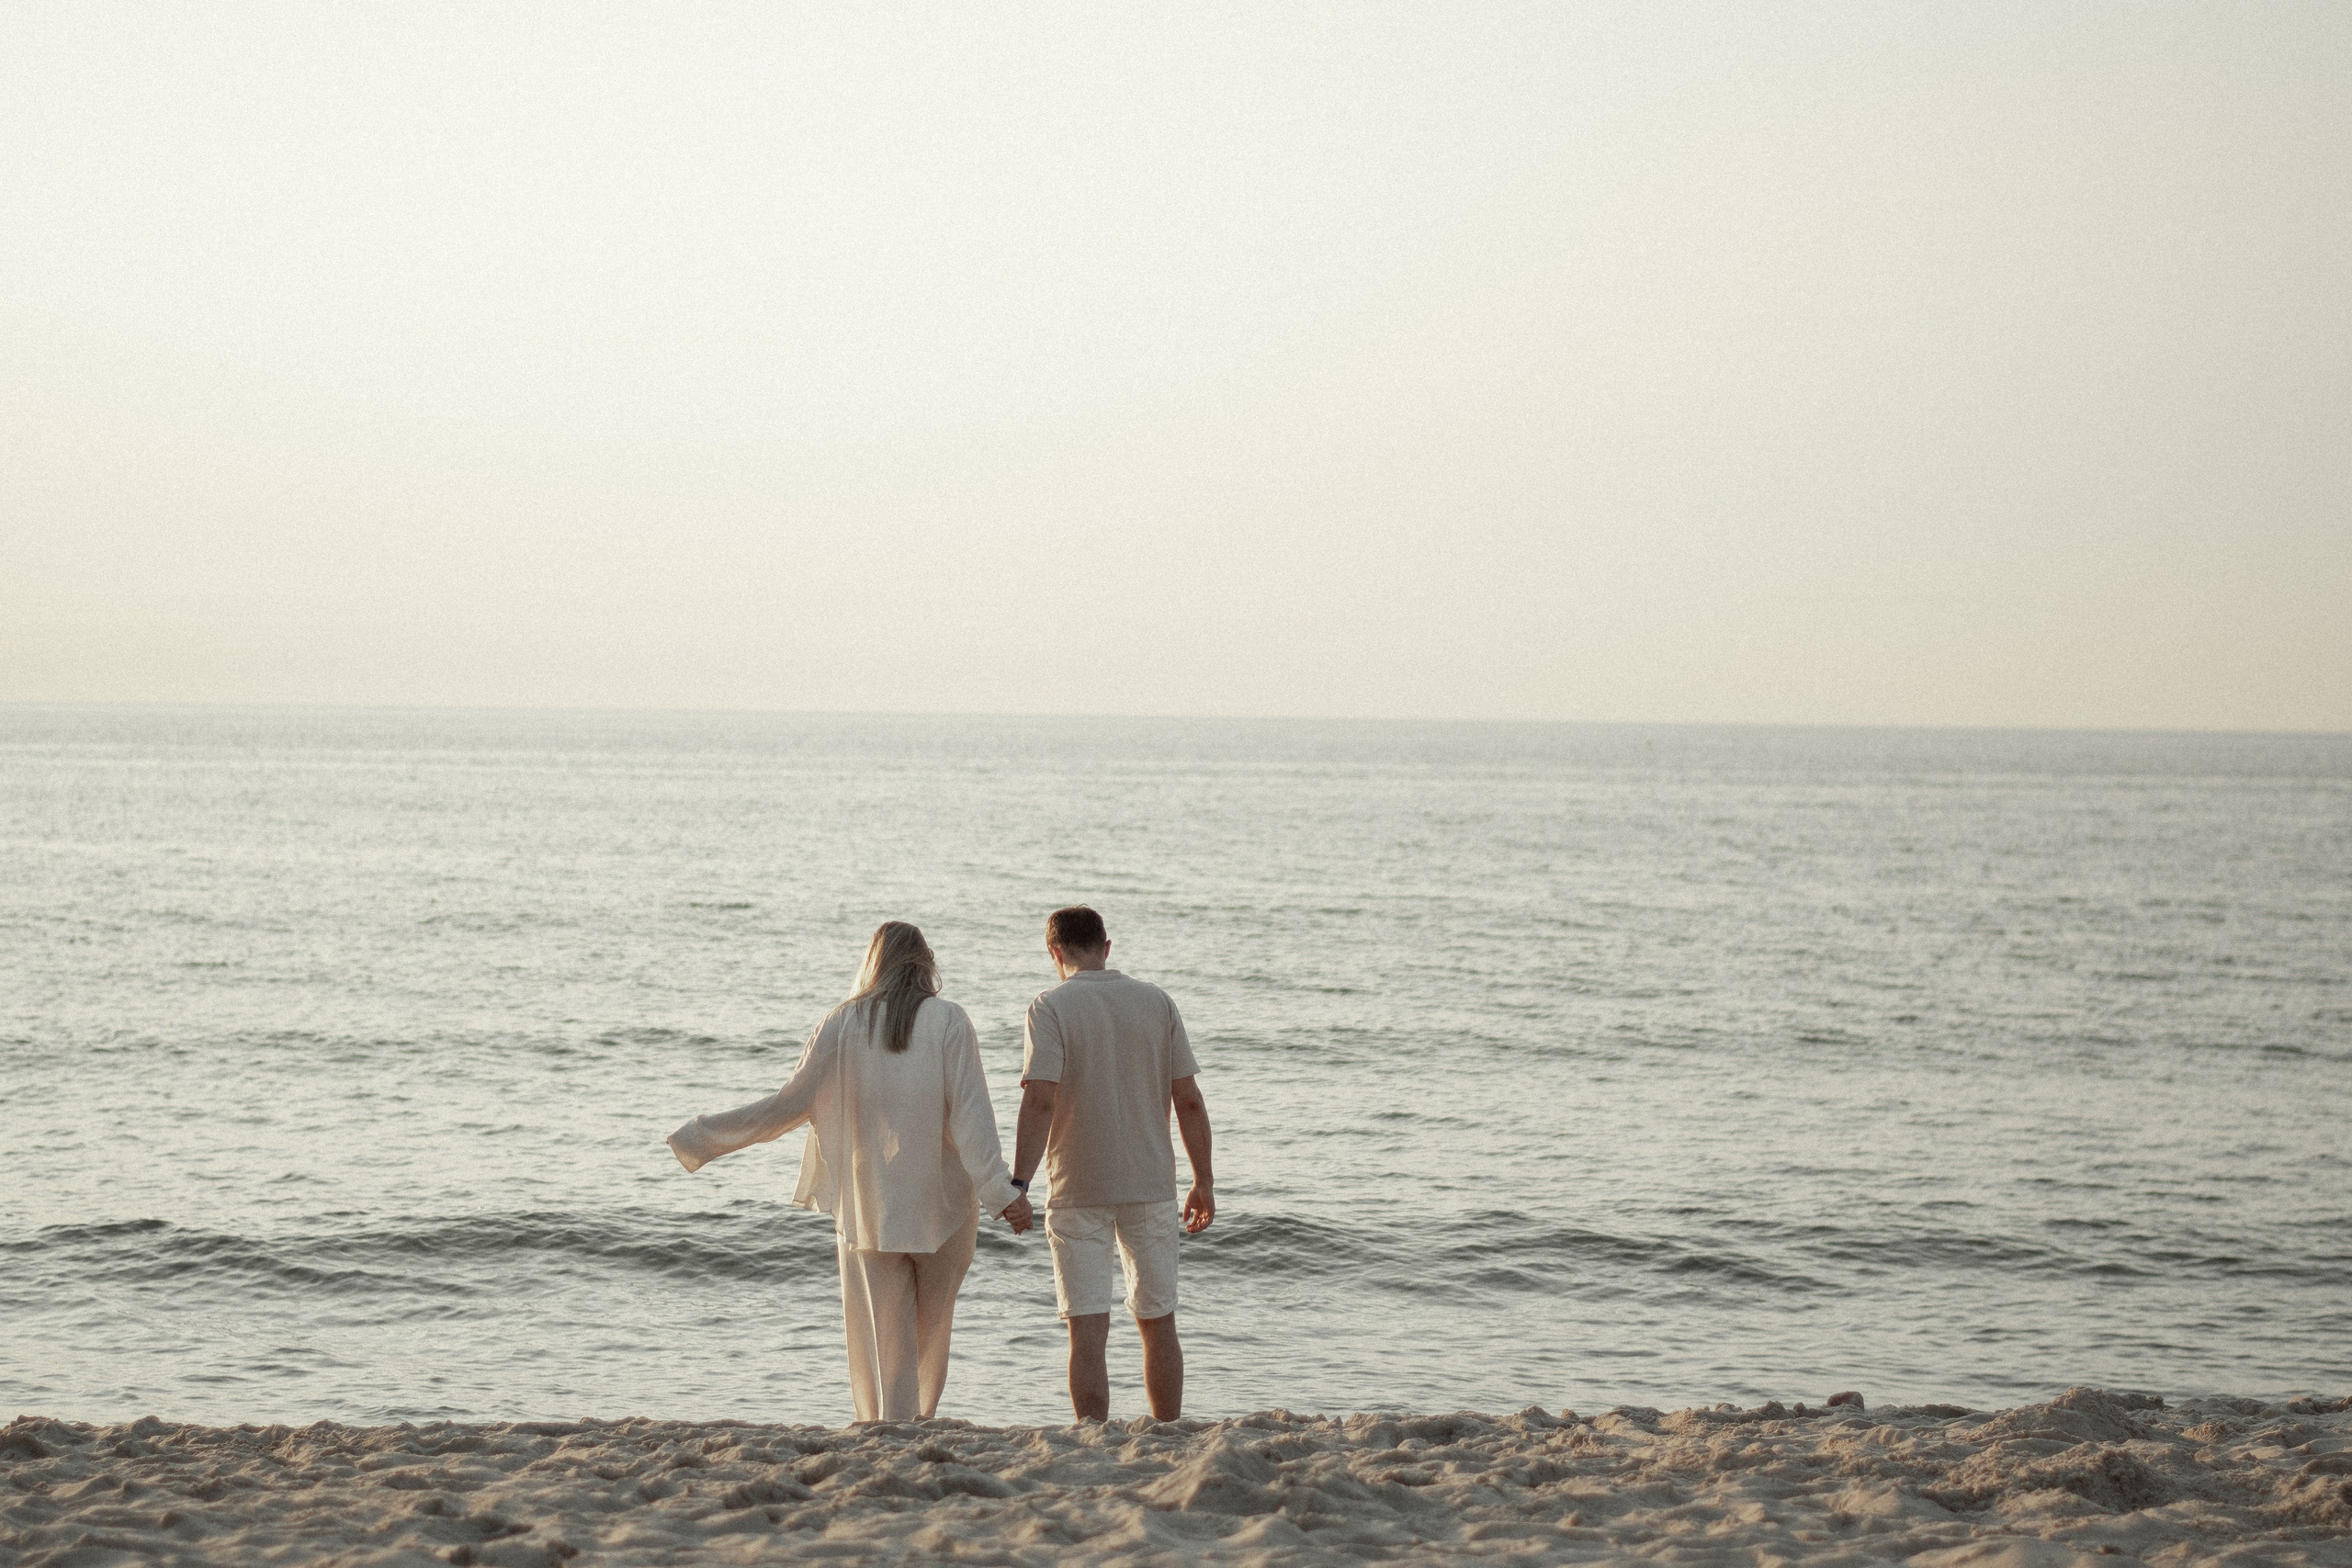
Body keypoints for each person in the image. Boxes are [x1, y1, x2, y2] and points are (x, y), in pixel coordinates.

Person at [665, 921, 1032, 1422]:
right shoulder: (949, 1021)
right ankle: (918, 1421)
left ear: (874, 962)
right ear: (926, 962)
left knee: (885, 1333)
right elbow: (972, 1117)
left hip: (871, 1202)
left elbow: (785, 1107)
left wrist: (701, 1137)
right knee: (933, 1327)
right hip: (943, 1203)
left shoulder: (842, 1023)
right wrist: (1001, 1192)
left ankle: (888, 1424)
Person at [1012, 905, 1215, 1421]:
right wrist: (1203, 1181)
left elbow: (1039, 1100)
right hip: (1150, 1184)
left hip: (1077, 1186)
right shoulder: (1156, 1002)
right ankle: (1168, 1431)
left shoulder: (1050, 1006)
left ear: (1054, 953)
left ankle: (1092, 1436)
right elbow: (1188, 1099)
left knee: (1087, 1329)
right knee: (1158, 1320)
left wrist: (1018, 1183)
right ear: (1107, 947)